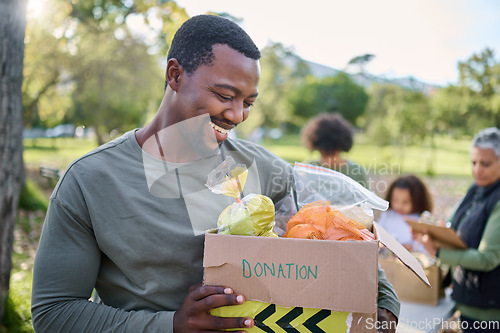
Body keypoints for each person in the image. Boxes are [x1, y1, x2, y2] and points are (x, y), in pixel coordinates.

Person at [31, 15, 399, 332]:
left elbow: (340, 231)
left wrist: (383, 303)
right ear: (175, 75)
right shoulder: (90, 180)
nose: (237, 115)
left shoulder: (264, 167)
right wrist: (171, 325)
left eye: (248, 103)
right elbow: (54, 313)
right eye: (225, 96)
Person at [418, 128, 500, 332]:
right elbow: (451, 227)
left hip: (489, 310)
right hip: (468, 301)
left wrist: (438, 252)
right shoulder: (475, 189)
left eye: (485, 163)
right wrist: (433, 234)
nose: (477, 170)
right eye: (473, 162)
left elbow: (488, 258)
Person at [301, 112, 369, 188]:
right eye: (325, 153)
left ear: (341, 147)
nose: (329, 159)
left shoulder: (357, 172)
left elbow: (366, 199)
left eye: (333, 153)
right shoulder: (309, 169)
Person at [378, 175, 433, 252]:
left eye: (405, 202)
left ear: (417, 201)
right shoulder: (387, 215)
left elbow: (425, 246)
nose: (399, 206)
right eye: (395, 200)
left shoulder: (419, 220)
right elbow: (377, 232)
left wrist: (412, 247)